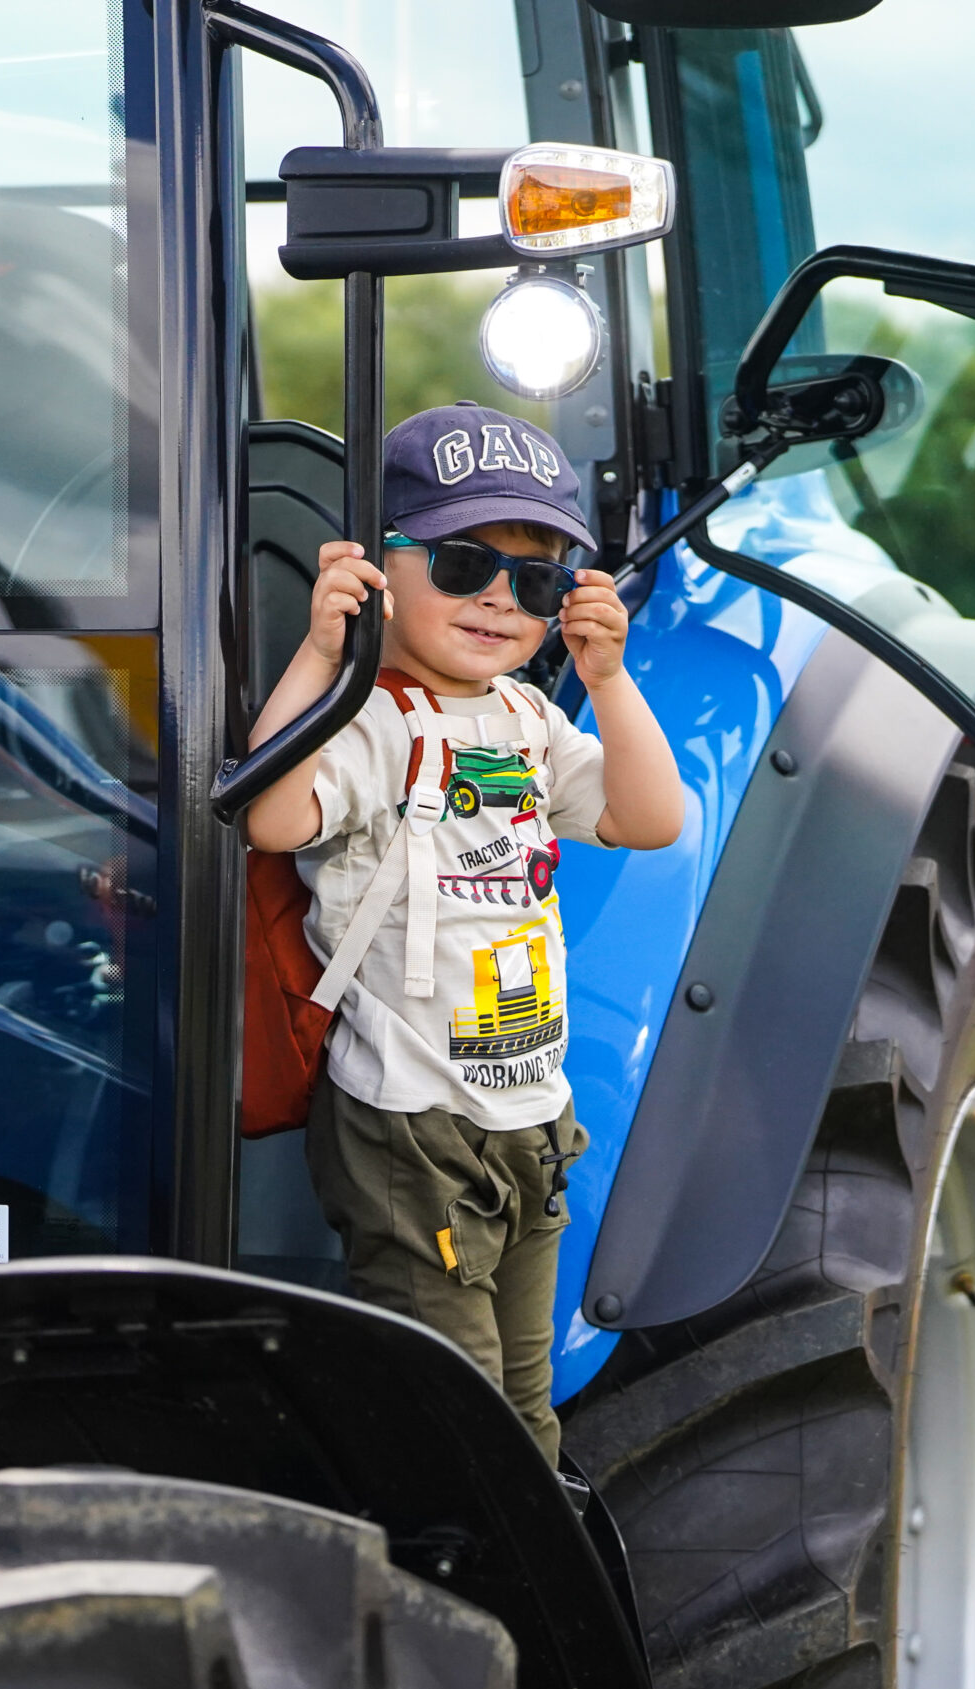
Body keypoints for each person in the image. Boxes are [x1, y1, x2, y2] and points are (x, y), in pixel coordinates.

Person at [244, 403, 684, 1460]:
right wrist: (320, 650)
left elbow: (649, 818)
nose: (498, 597)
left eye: (534, 581)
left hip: (529, 1117)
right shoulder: (366, 719)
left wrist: (608, 682)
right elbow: (269, 811)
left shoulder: (528, 720)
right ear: (377, 567)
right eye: (459, 562)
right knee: (454, 1416)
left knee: (525, 1406)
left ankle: (530, 1602)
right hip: (411, 1126)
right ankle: (456, 1593)